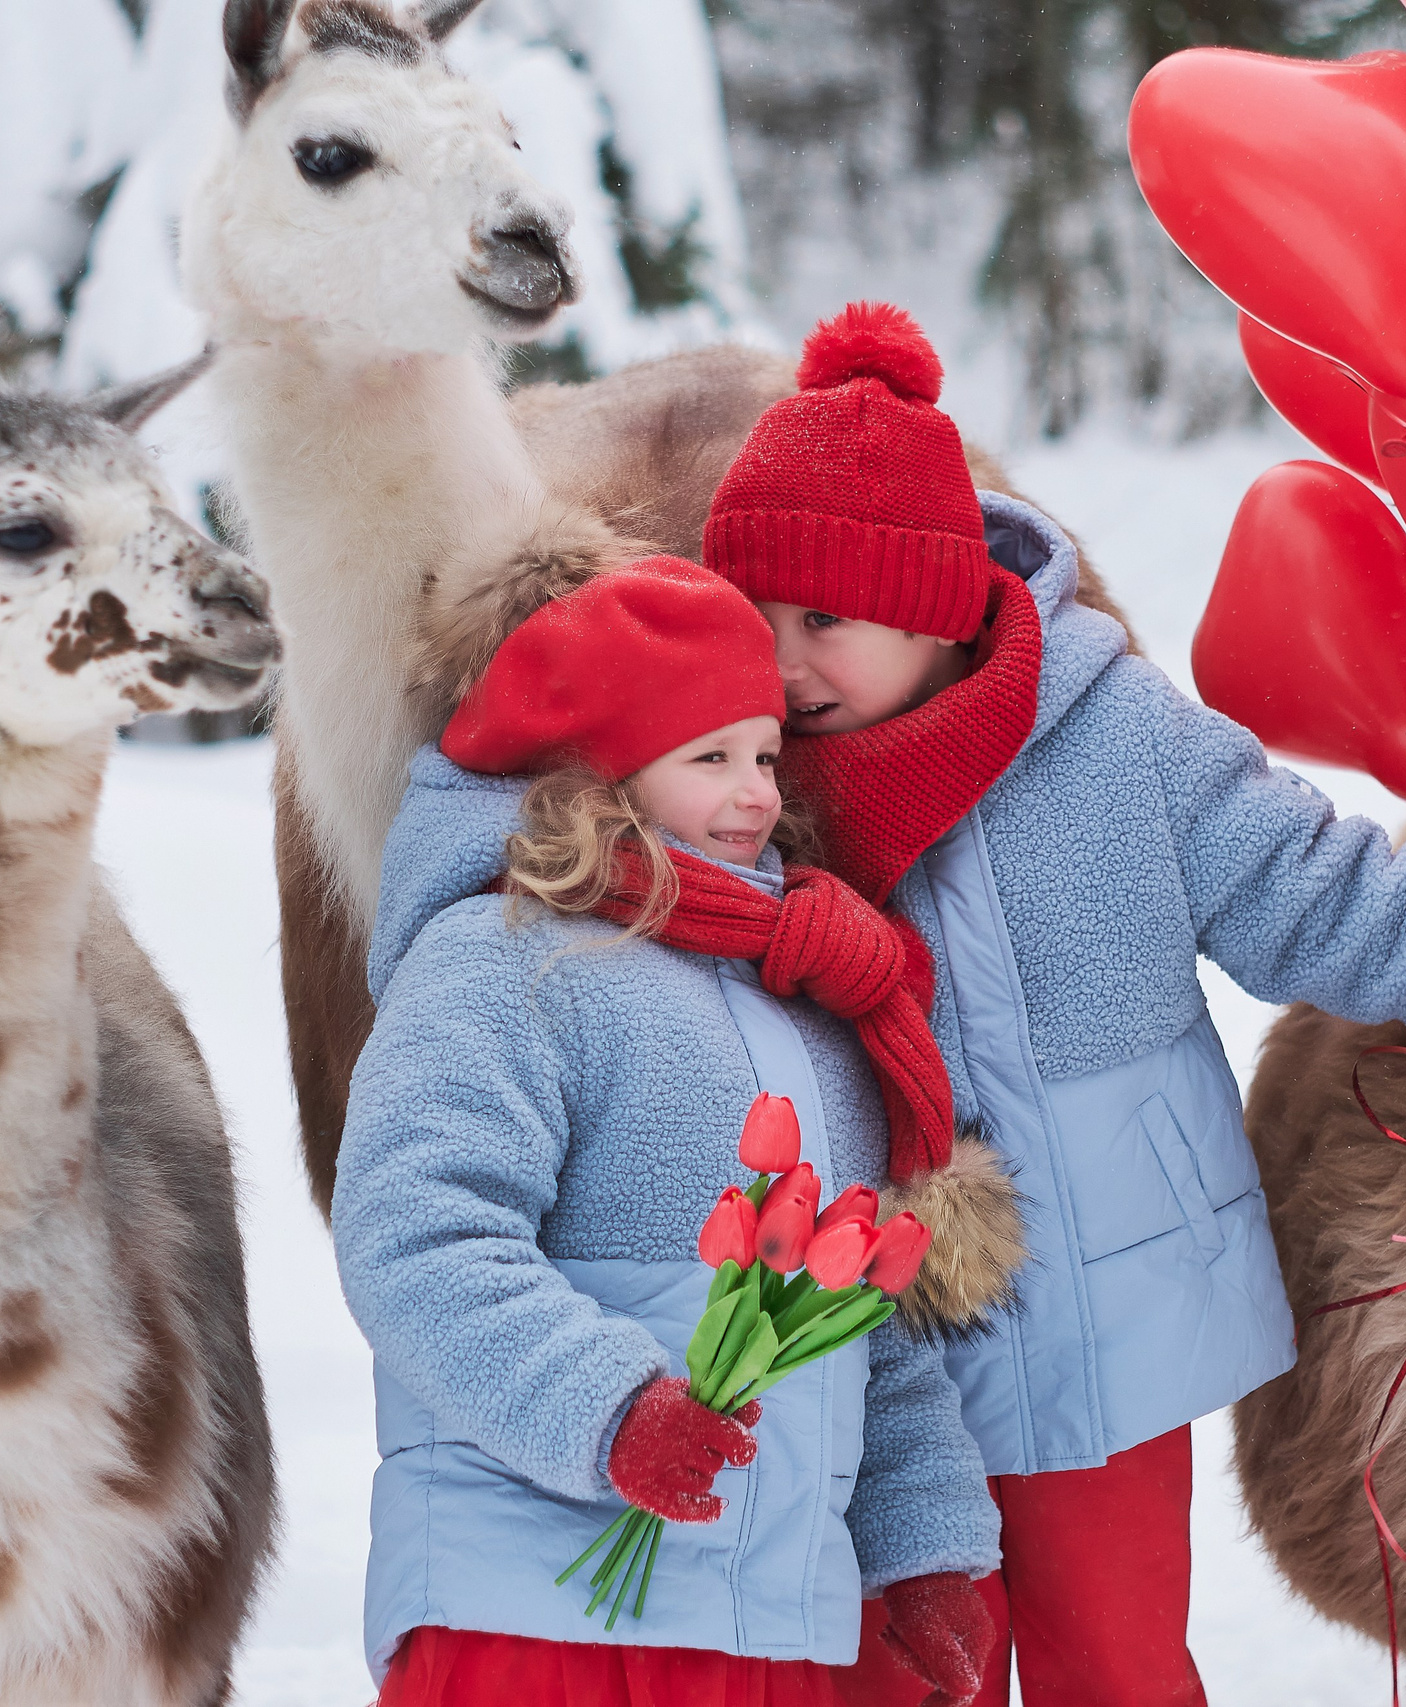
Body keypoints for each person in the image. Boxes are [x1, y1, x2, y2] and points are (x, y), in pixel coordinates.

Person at [694, 302, 1406, 1707]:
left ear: (929, 602)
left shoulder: (1114, 738)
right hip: (865, 1339)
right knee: (902, 1669)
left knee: (1115, 1657)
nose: (787, 661)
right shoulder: (746, 791)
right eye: (757, 619)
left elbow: (1323, 892)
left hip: (1108, 1304)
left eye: (825, 619)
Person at [333, 556, 1004, 1707]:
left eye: (763, 756)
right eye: (710, 759)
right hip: (533, 1611)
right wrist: (611, 1410)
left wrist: (925, 1544)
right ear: (598, 775)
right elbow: (416, 1236)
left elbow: (854, 1317)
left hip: (758, 1620)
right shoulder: (503, 961)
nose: (755, 794)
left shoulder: (801, 993)